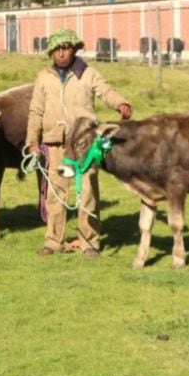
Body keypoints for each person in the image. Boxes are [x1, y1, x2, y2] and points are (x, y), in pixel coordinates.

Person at [25, 29, 132, 257]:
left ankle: (89, 242)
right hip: (55, 143)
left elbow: (105, 91)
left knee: (87, 192)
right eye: (57, 49)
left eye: (66, 48)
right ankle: (54, 241)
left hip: (84, 143)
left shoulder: (88, 73)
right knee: (55, 194)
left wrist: (120, 103)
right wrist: (32, 141)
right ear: (51, 52)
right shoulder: (44, 77)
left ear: (74, 49)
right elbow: (35, 111)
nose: (62, 53)